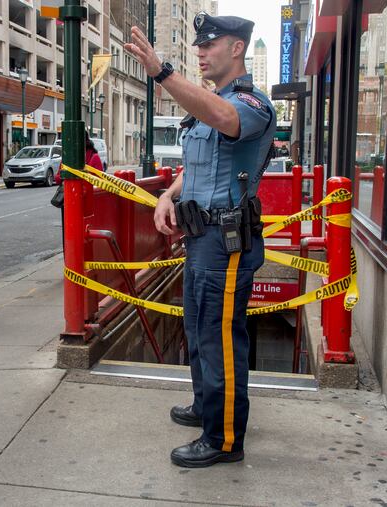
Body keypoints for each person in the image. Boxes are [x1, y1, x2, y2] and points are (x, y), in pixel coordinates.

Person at [126, 12, 275, 468]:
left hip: (226, 239)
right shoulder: (210, 101)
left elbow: (226, 120)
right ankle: (206, 405)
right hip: (199, 235)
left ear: (236, 49)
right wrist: (168, 196)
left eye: (210, 45)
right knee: (196, 327)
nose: (200, 52)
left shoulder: (250, 102)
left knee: (218, 337)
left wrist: (162, 72)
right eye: (198, 46)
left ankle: (225, 437)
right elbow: (198, 164)